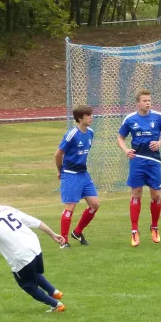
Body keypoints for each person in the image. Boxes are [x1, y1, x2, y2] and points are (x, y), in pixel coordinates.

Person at [117, 89, 161, 247]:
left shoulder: (158, 117)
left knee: (156, 195)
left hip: (154, 161)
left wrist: (159, 143)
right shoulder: (130, 119)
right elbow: (120, 137)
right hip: (137, 160)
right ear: (138, 103)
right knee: (136, 194)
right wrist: (126, 150)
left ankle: (154, 227)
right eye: (145, 100)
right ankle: (134, 231)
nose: (148, 103)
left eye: (149, 100)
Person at [55, 105, 100, 248]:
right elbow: (58, 154)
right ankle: (64, 241)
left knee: (94, 204)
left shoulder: (91, 132)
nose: (91, 117)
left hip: (83, 174)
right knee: (70, 207)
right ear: (80, 118)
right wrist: (60, 170)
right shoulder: (72, 135)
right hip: (71, 175)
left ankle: (78, 231)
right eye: (88, 115)